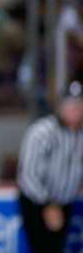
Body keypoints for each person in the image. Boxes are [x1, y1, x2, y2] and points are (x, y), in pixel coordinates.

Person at [17, 80, 83, 253]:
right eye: (70, 105)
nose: (75, 110)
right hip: (38, 203)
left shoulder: (80, 134)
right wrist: (48, 205)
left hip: (64, 203)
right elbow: (28, 175)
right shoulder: (42, 132)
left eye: (79, 105)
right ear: (60, 106)